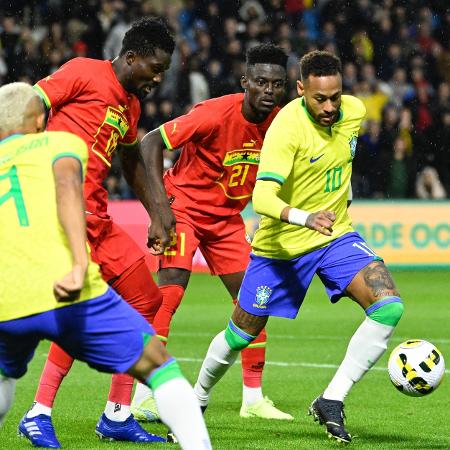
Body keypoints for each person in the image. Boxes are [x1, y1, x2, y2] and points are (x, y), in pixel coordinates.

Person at [192, 50, 404, 443]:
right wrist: (305, 217)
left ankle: (331, 399)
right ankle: (197, 398)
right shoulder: (285, 129)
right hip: (282, 248)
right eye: (319, 98)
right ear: (301, 89)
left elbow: (342, 160)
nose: (329, 107)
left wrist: (343, 201)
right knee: (241, 334)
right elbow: (263, 198)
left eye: (335, 97)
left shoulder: (354, 113)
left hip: (335, 236)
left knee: (388, 305)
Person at [0, 82, 212, 450]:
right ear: (39, 119)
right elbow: (68, 185)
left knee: (5, 375)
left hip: (9, 295)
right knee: (161, 367)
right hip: (64, 279)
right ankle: (40, 410)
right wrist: (80, 263)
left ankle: (115, 413)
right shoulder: (60, 142)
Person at [18, 17, 176, 447]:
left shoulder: (130, 106)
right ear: (131, 58)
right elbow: (29, 106)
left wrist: (157, 213)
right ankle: (38, 412)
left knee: (147, 297)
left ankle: (117, 413)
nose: (158, 80)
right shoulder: (83, 72)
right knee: (80, 309)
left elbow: (130, 163)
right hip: (60, 213)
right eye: (154, 69)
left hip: (99, 220)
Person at [137, 43, 293, 422]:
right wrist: (160, 210)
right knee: (170, 291)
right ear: (245, 83)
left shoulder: (282, 124)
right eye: (260, 82)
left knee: (254, 300)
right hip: (185, 208)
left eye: (276, 84)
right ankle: (144, 394)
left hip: (226, 220)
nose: (268, 91)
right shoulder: (213, 113)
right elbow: (151, 141)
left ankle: (253, 399)